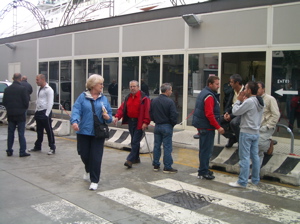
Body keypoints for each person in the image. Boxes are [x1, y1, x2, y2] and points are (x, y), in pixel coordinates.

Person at [71, 74, 112, 191]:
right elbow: (76, 110)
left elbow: (109, 115)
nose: (102, 86)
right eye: (100, 84)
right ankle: (88, 169)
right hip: (83, 131)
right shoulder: (82, 97)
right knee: (83, 153)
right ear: (93, 85)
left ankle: (94, 180)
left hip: (98, 133)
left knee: (96, 157)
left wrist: (107, 116)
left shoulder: (103, 98)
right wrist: (74, 122)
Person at [229, 81, 264, 188]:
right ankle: (255, 179)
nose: (244, 91)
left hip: (246, 132)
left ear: (249, 90)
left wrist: (238, 101)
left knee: (244, 157)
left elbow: (236, 112)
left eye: (245, 89)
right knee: (255, 156)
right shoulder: (260, 101)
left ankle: (242, 181)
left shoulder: (249, 101)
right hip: (255, 132)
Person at [192, 76, 224, 180]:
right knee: (206, 150)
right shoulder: (209, 96)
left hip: (203, 126)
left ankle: (204, 169)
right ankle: (203, 171)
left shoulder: (204, 92)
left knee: (204, 150)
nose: (218, 86)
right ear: (210, 84)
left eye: (218, 84)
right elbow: (209, 114)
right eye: (216, 84)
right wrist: (218, 127)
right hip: (207, 127)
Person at [114, 80, 151, 168]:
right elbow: (122, 108)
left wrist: (146, 122)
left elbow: (148, 111)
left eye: (134, 86)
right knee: (134, 140)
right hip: (131, 121)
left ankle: (130, 160)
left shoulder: (144, 98)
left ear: (138, 87)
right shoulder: (128, 97)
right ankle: (136, 158)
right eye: (131, 86)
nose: (132, 88)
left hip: (139, 122)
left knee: (135, 141)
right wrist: (117, 116)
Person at [150, 83, 178, 173]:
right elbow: (174, 115)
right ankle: (167, 166)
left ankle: (156, 164)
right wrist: (172, 124)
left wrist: (155, 120)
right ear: (167, 91)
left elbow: (151, 113)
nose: (171, 92)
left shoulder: (154, 101)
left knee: (157, 146)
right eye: (170, 90)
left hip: (157, 126)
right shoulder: (170, 102)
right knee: (167, 147)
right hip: (167, 126)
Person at [3, 73, 30, 157]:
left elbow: (4, 102)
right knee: (21, 133)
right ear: (20, 79)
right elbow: (26, 102)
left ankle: (9, 150)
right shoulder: (23, 89)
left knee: (10, 132)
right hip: (20, 114)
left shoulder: (7, 89)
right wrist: (23, 109)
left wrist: (9, 108)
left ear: (13, 78)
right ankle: (22, 151)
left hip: (11, 114)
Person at [29, 74, 56, 155]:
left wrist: (47, 114)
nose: (36, 81)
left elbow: (50, 103)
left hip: (45, 112)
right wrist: (36, 111)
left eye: (37, 80)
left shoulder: (49, 90)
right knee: (39, 130)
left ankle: (52, 147)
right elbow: (38, 100)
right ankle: (37, 146)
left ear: (43, 80)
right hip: (39, 111)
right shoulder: (39, 89)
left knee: (49, 130)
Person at [257, 81, 280, 166]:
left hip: (266, 126)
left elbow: (276, 114)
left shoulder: (270, 99)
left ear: (263, 89)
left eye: (258, 88)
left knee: (258, 146)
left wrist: (268, 126)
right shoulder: (254, 99)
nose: (257, 90)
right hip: (256, 126)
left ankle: (269, 143)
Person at [221, 74, 244, 148]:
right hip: (232, 112)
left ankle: (240, 142)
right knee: (218, 120)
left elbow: (243, 108)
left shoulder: (245, 92)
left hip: (241, 114)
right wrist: (226, 113)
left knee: (234, 123)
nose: (230, 84)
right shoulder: (232, 91)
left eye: (231, 82)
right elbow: (229, 104)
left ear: (237, 83)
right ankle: (232, 137)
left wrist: (231, 116)